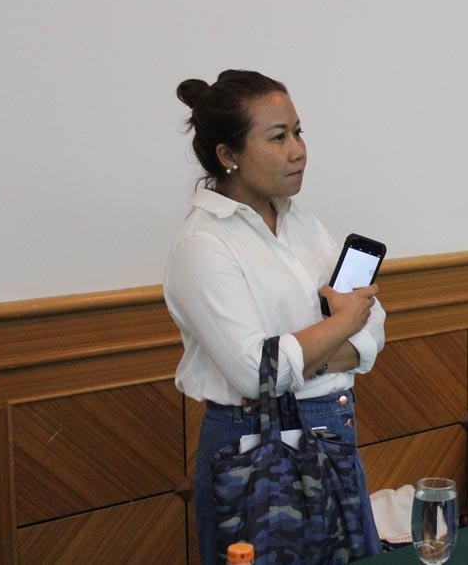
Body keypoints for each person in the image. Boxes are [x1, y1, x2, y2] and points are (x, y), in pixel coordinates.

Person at [163, 70, 385, 564]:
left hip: (332, 428)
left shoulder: (300, 220)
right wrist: (342, 326)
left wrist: (313, 352)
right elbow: (255, 372)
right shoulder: (204, 243)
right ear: (229, 154)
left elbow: (375, 328)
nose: (298, 151)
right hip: (254, 445)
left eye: (299, 132)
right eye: (278, 137)